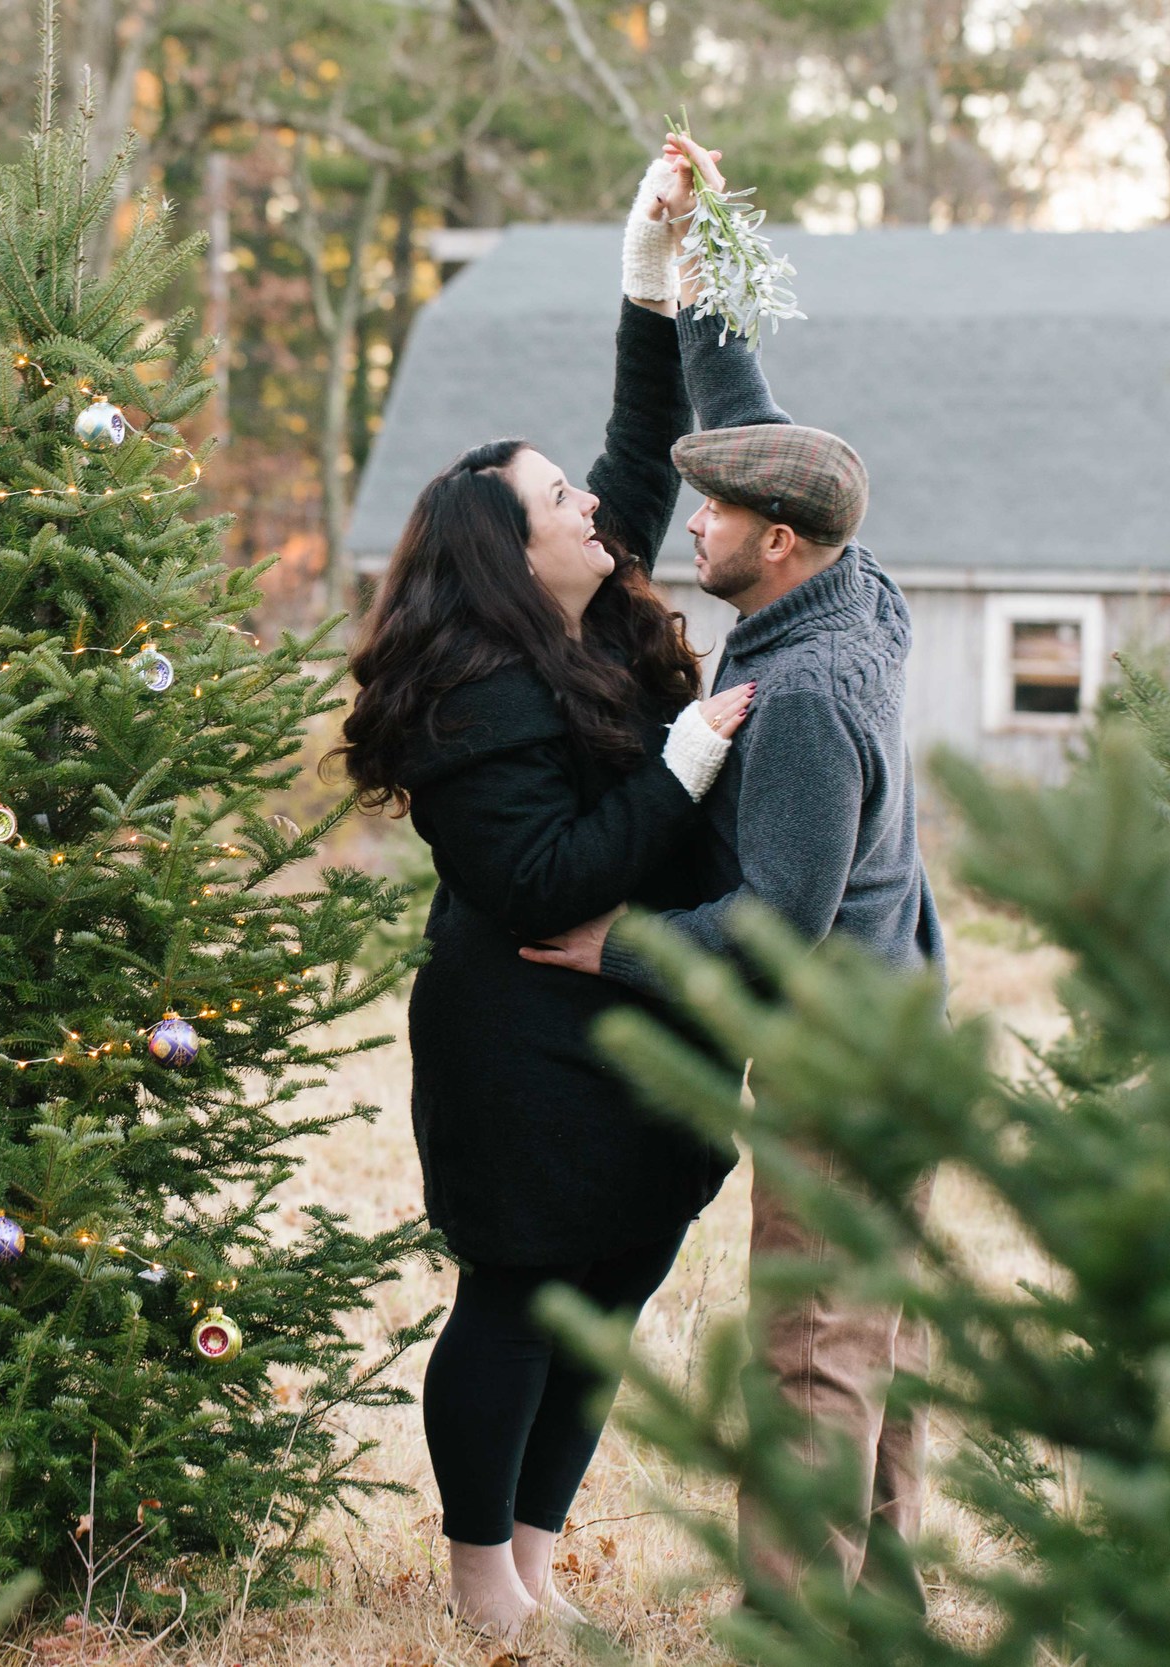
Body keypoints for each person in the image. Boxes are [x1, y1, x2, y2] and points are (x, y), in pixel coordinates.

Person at [519, 134, 948, 1609]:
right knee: (872, 1334)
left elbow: (774, 932)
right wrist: (687, 266)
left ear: (774, 543)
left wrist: (611, 947)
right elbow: (742, 422)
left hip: (844, 1048)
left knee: (815, 1345)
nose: (683, 526)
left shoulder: (815, 693)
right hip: (900, 1028)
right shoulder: (847, 580)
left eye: (711, 517)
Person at [334, 140, 754, 1638]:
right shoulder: (469, 698)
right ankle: (476, 1583)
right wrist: (691, 760)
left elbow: (642, 437)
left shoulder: (595, 609)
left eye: (580, 494)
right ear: (511, 557)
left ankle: (537, 1549)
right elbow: (537, 881)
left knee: (614, 1289)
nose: (595, 505)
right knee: (522, 1294)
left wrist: (649, 275)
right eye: (560, 499)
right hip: (519, 1041)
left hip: (638, 1024)